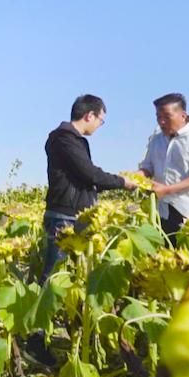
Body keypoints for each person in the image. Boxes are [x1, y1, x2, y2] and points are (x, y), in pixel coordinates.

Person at [40, 94, 136, 282]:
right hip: (64, 217)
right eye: (101, 120)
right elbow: (89, 173)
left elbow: (83, 178)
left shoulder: (72, 139)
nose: (100, 125)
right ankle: (41, 309)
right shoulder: (64, 138)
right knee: (54, 277)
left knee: (73, 276)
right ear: (90, 115)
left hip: (73, 213)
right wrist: (122, 182)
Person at [137, 93, 189, 244]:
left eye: (167, 117)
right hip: (162, 214)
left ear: (183, 115)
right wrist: (136, 178)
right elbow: (147, 167)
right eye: (158, 117)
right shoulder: (156, 141)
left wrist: (167, 189)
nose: (161, 122)